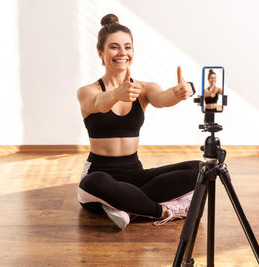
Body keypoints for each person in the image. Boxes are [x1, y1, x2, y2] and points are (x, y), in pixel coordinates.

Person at [77, 14, 200, 230]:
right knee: (94, 182)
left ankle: (125, 207)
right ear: (101, 53)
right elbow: (98, 103)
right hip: (99, 176)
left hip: (135, 174)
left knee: (200, 169)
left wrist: (181, 92)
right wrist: (117, 94)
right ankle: (164, 210)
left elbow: (163, 99)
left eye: (128, 47)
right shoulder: (87, 91)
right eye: (114, 47)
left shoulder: (144, 88)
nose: (122, 53)